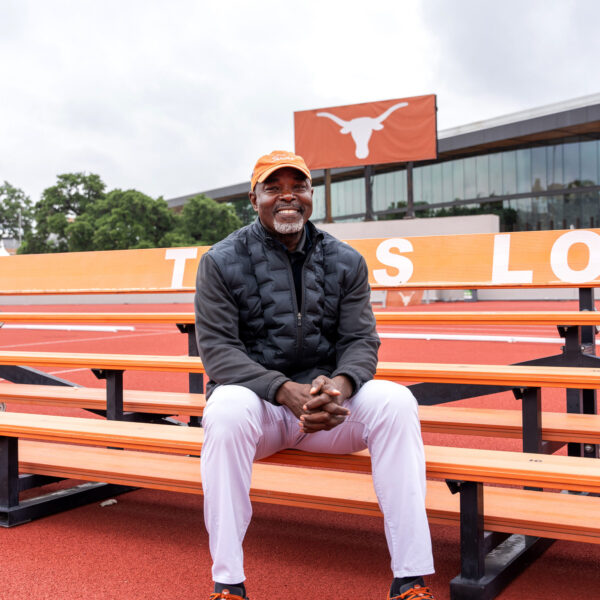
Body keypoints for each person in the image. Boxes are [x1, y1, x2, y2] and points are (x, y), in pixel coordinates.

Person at [195, 150, 436, 600]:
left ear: (311, 196)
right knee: (224, 412)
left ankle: (411, 577)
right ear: (254, 198)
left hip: (330, 414)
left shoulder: (346, 261)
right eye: (274, 188)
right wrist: (282, 390)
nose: (288, 197)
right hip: (260, 411)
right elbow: (218, 352)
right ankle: (228, 583)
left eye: (298, 187)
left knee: (397, 402)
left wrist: (339, 389)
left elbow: (361, 342)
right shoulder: (220, 261)